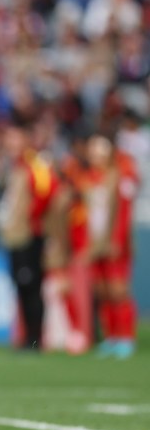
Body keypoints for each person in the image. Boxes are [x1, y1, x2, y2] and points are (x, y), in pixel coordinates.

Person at [0, 124, 59, 351]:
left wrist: (31, 218)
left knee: (32, 287)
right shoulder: (13, 166)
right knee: (22, 287)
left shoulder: (36, 164)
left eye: (16, 139)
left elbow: (47, 191)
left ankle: (35, 339)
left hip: (30, 236)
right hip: (15, 236)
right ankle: (27, 337)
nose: (11, 144)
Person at [83, 135, 139, 358]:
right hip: (96, 242)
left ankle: (126, 336)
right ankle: (111, 336)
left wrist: (118, 240)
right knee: (103, 290)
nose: (95, 158)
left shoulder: (120, 177)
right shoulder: (89, 179)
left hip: (115, 243)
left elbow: (124, 212)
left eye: (99, 153)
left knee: (118, 290)